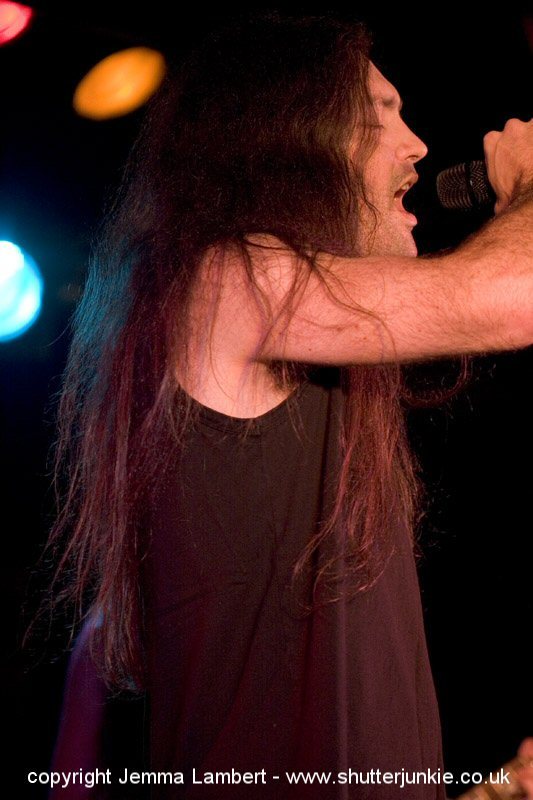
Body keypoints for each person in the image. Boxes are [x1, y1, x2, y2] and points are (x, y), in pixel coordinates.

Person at [44, 12, 533, 800]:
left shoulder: (323, 359)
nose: (417, 144)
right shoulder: (226, 280)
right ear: (293, 134)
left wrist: (496, 792)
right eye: (381, 112)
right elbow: (514, 299)